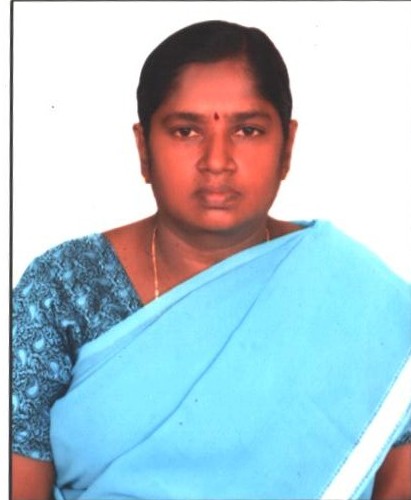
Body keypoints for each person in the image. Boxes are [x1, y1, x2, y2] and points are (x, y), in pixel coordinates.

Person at [12, 20, 411, 500]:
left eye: (247, 130)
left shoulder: (363, 301)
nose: (217, 161)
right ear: (144, 148)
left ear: (287, 146)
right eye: (186, 131)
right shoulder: (62, 288)